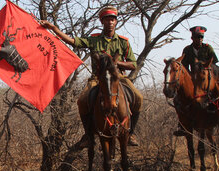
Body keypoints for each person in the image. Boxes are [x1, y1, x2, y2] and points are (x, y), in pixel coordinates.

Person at [40, 5, 143, 147]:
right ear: (102, 21)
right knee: (82, 100)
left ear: (116, 21)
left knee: (138, 97)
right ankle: (88, 135)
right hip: (97, 78)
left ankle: (131, 133)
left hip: (117, 77)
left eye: (113, 19)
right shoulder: (94, 39)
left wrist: (117, 64)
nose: (110, 22)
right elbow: (72, 41)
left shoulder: (123, 41)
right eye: (107, 19)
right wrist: (54, 29)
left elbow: (133, 65)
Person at [175, 26, 218, 136]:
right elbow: (184, 67)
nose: (199, 39)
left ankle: (218, 120)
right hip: (192, 79)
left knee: (217, 96)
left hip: (205, 79)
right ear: (192, 38)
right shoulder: (187, 50)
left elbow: (214, 65)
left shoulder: (208, 48)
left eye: (201, 37)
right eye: (197, 37)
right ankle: (182, 124)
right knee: (178, 99)